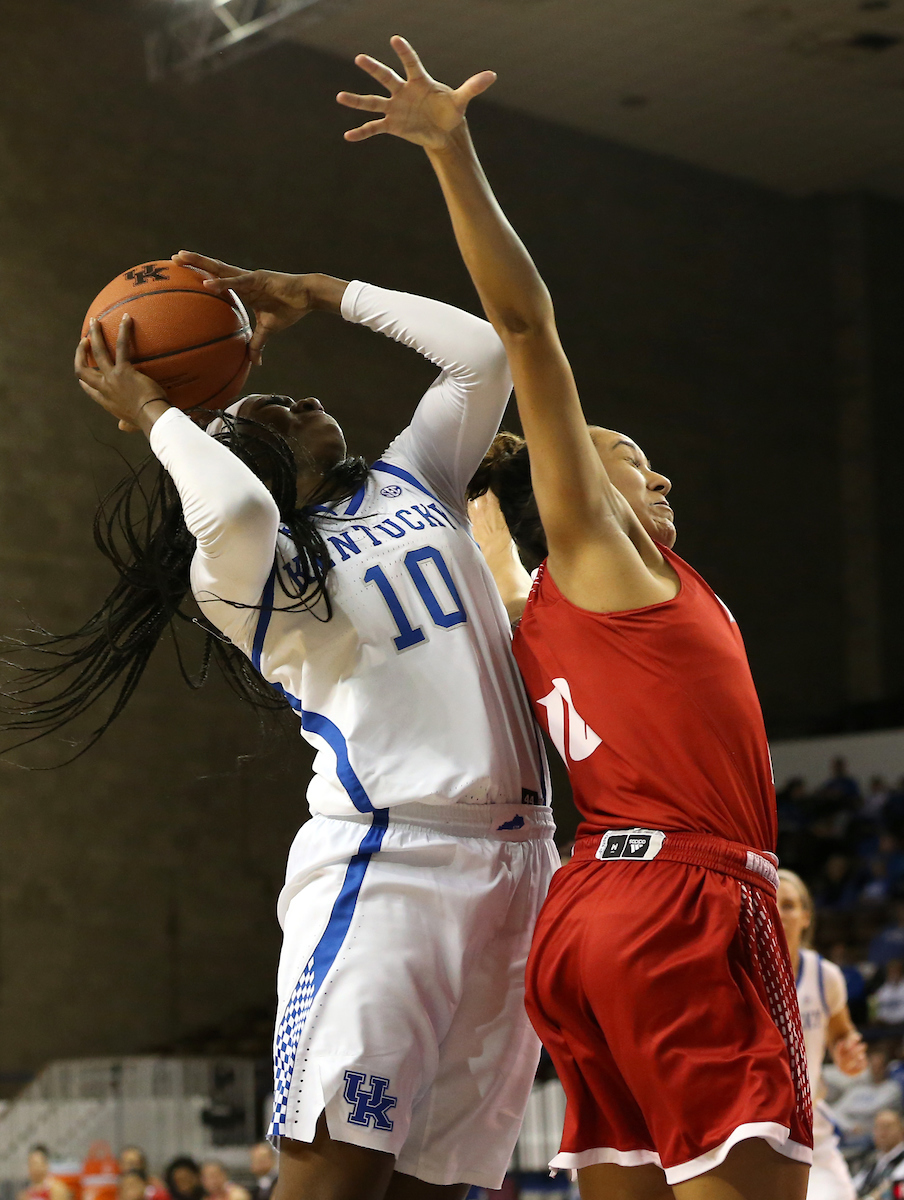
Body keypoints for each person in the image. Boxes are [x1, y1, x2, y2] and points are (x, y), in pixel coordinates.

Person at [337, 34, 813, 1200]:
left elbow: (489, 540)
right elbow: (526, 331)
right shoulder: (603, 561)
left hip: (586, 913)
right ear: (579, 499)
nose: (652, 478)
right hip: (688, 901)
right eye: (624, 459)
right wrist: (452, 153)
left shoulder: (533, 603)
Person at [66, 253, 556, 1200]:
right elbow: (242, 503)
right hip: (390, 866)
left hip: (523, 864)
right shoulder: (248, 571)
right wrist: (154, 413)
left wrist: (319, 292)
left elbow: (483, 356)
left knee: (437, 1185)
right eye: (264, 411)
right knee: (334, 1180)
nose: (292, 396)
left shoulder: (417, 479)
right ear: (235, 449)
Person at [777, 869, 866, 1200]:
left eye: (788, 905)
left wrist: (849, 1056)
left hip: (811, 1130)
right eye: (770, 904)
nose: (778, 913)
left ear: (805, 916)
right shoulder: (743, 974)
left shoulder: (824, 975)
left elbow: (844, 1036)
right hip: (755, 1129)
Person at [851, 1109, 904, 1198]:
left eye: (887, 1127)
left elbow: (892, 1190)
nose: (882, 1133)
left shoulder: (901, 1160)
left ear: (902, 1131)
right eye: (877, 1127)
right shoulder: (872, 1160)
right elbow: (853, 1186)